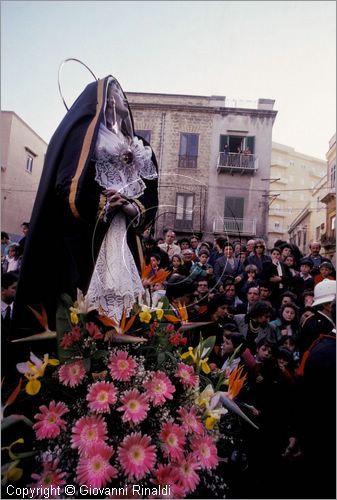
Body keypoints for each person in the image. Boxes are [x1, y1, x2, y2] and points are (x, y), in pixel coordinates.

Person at [12, 75, 159, 338]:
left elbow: (151, 195)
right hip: (88, 240)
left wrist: (131, 206)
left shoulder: (141, 147)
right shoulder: (87, 138)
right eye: (114, 90)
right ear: (100, 99)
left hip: (127, 241)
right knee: (85, 313)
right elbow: (68, 184)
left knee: (130, 310)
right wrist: (104, 201)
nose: (122, 95)